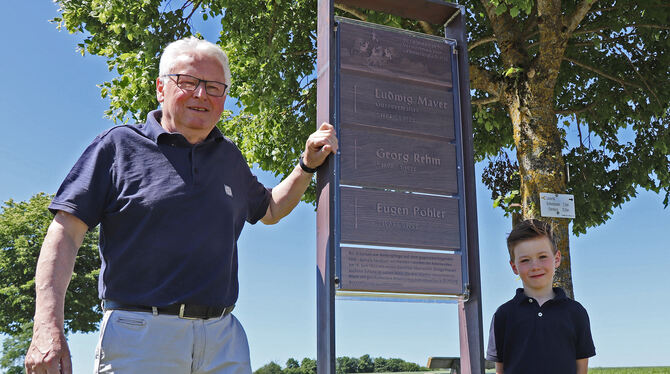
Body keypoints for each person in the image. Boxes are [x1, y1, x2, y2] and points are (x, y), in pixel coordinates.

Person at [24, 36, 338, 374]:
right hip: (140, 336)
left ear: (224, 98)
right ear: (161, 88)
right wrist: (45, 324)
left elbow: (271, 210)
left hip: (223, 337)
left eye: (214, 87)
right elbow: (65, 234)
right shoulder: (117, 147)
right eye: (188, 82)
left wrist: (306, 165)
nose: (202, 95)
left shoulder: (229, 157)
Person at [486, 219, 595, 374]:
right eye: (525, 260)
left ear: (557, 259)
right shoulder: (503, 315)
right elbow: (500, 370)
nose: (535, 266)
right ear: (514, 267)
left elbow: (581, 369)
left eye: (542, 257)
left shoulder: (576, 312)